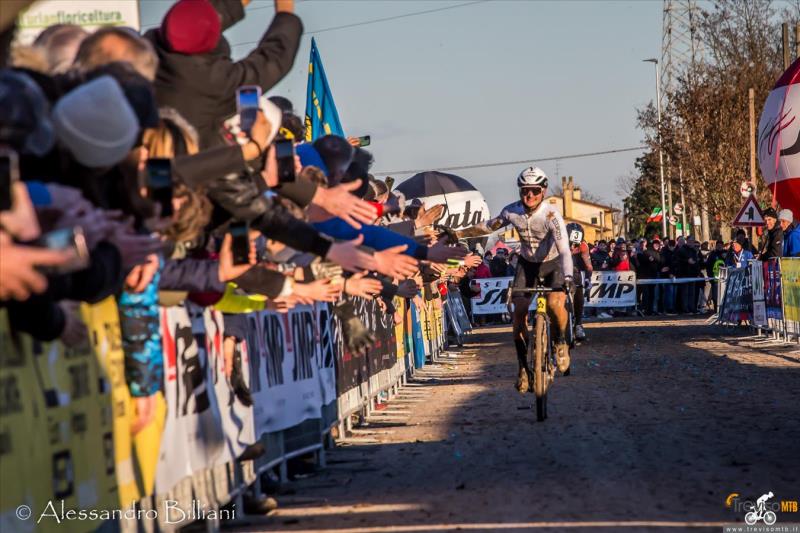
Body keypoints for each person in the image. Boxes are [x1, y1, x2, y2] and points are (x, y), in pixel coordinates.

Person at [456, 167, 574, 392]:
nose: (529, 196)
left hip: (553, 264)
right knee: (518, 314)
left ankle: (560, 342)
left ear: (543, 191)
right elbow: (488, 226)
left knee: (554, 303)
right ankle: (523, 368)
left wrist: (568, 277)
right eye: (524, 191)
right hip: (527, 264)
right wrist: (458, 234)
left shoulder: (552, 216)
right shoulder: (511, 212)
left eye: (534, 191)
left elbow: (566, 251)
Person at [566, 222, 591, 341]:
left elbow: (588, 266)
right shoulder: (557, 242)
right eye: (570, 243)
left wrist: (587, 279)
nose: (572, 247)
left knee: (579, 291)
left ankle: (578, 324)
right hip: (559, 268)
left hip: (575, 270)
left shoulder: (583, 246)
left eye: (575, 244)